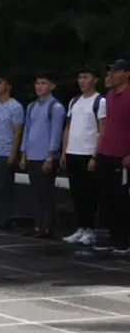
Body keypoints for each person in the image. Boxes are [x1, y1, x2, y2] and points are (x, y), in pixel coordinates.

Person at [61, 68, 106, 246]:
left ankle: (90, 230)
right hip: (73, 152)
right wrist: (65, 151)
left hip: (88, 153)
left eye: (86, 77)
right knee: (77, 194)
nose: (82, 81)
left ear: (95, 80)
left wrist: (95, 155)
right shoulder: (74, 101)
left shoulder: (99, 101)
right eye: (79, 77)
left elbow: (103, 129)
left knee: (89, 194)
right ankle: (80, 227)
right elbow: (68, 128)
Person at [19, 72, 66, 238]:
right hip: (32, 154)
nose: (40, 86)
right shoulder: (31, 106)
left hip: (45, 156)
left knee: (47, 193)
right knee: (36, 193)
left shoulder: (56, 107)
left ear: (52, 86)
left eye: (44, 83)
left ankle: (48, 225)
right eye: (38, 83)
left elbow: (56, 133)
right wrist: (23, 153)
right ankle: (38, 224)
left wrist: (50, 156)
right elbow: (27, 130)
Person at [94, 59, 130, 254]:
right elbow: (106, 125)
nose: (112, 75)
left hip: (121, 155)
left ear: (126, 74)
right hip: (106, 152)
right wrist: (98, 151)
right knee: (106, 197)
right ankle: (111, 235)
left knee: (121, 199)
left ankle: (123, 239)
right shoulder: (109, 96)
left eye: (116, 72)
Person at [0, 73, 23, 230]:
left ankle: (5, 217)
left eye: (0, 83)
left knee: (5, 187)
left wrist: (14, 153)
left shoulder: (15, 107)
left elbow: (18, 132)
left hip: (6, 151)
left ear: (8, 86)